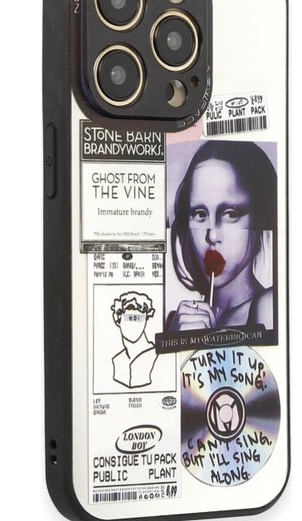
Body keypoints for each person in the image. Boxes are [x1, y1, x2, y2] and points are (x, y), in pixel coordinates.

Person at [168, 140, 276, 331]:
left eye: (230, 214)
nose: (212, 235)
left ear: (259, 218)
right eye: (200, 214)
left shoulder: (268, 308)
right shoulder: (176, 321)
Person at [111, 291, 157, 388]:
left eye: (138, 318)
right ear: (118, 320)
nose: (133, 324)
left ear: (146, 320)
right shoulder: (117, 360)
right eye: (128, 318)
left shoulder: (154, 355)